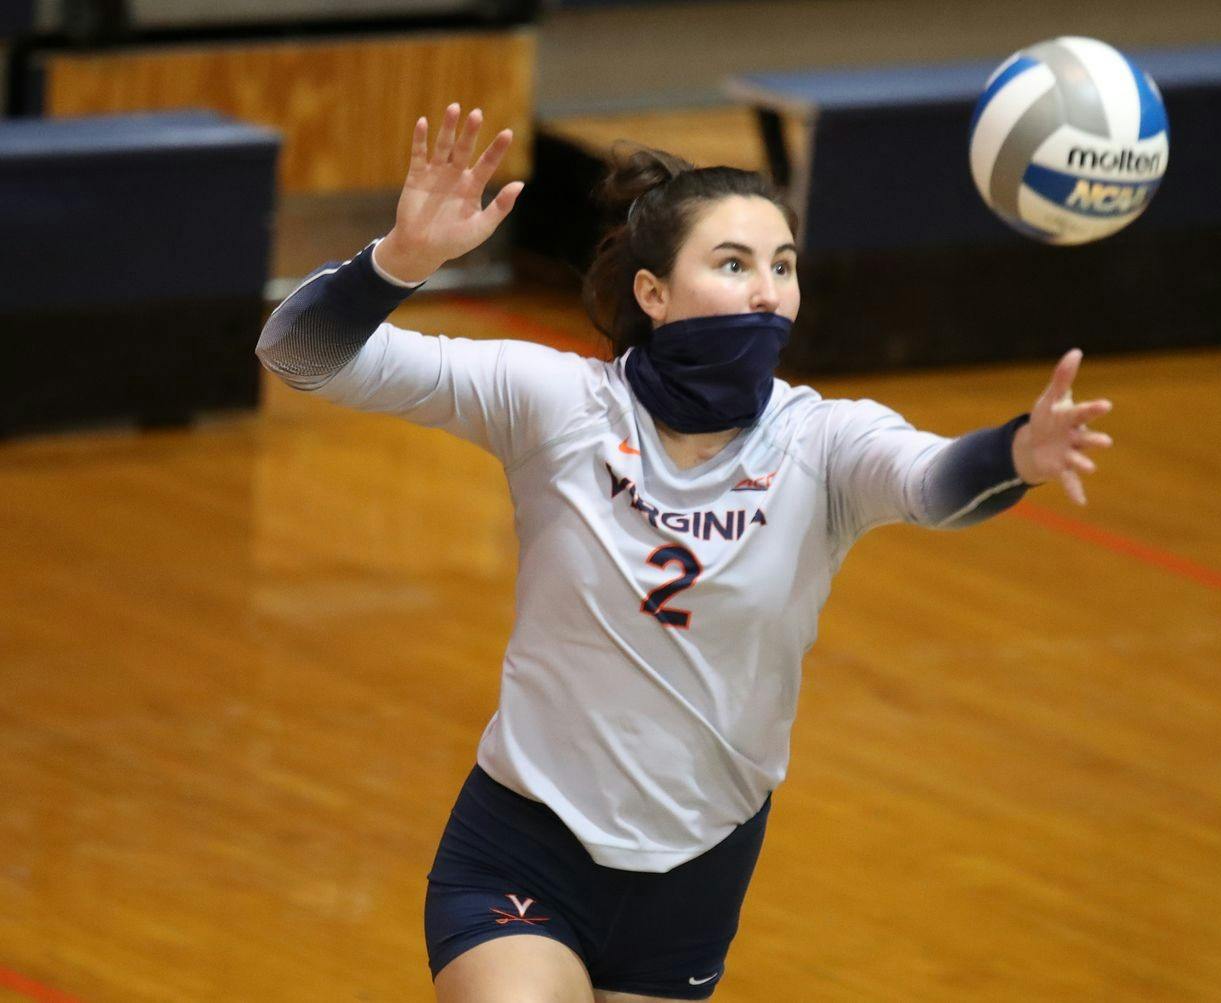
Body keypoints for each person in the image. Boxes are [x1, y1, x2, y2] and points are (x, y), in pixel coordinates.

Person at [256, 103, 1112, 1003]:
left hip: (695, 876)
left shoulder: (822, 443)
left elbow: (934, 482)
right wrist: (396, 263)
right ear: (653, 293)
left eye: (782, 266)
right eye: (733, 264)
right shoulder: (558, 404)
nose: (766, 291)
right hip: (524, 847)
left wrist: (1015, 454)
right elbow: (298, 354)